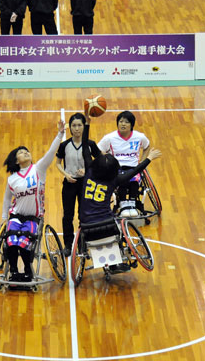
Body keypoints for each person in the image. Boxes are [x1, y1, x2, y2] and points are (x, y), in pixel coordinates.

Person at [79, 111, 161, 271]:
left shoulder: (89, 173)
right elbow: (134, 171)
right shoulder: (114, 180)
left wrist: (87, 124)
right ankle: (120, 259)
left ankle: (108, 261)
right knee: (120, 229)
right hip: (106, 223)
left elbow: (84, 149)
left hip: (86, 223)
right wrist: (149, 159)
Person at [1, 119, 66, 281]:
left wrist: (59, 134)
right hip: (16, 216)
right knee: (11, 242)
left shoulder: (38, 169)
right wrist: (4, 218)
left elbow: (51, 153)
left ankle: (28, 271)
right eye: (21, 152)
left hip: (33, 218)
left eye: (26, 151)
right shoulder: (12, 179)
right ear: (16, 161)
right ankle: (14, 271)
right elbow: (6, 200)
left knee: (23, 243)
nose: (26, 152)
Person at [56, 112, 101, 256]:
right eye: (74, 125)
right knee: (67, 216)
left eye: (79, 125)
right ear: (70, 128)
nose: (76, 128)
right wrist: (66, 174)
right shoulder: (64, 145)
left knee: (84, 214)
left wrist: (88, 169)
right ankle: (68, 245)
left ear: (84, 126)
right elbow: (57, 163)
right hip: (69, 183)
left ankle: (83, 244)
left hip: (85, 184)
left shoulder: (90, 144)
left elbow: (100, 162)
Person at [97, 110, 151, 216]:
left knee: (134, 181)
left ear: (131, 125)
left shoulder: (139, 137)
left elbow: (147, 146)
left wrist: (142, 162)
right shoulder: (109, 138)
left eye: (126, 122)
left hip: (134, 167)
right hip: (117, 168)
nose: (123, 124)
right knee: (122, 181)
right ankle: (123, 203)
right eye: (121, 121)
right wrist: (108, 161)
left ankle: (132, 203)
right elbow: (98, 150)